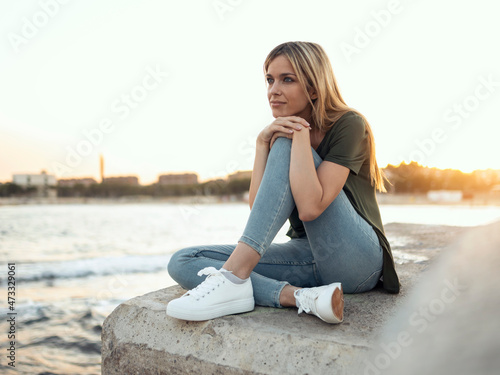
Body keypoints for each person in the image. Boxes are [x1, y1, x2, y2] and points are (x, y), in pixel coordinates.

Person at [166, 41, 400, 324]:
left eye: (287, 80)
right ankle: (300, 297)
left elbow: (310, 208)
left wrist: (298, 135)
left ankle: (233, 278)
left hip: (356, 260)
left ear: (313, 88)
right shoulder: (279, 136)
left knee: (286, 144)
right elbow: (260, 210)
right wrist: (261, 144)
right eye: (269, 79)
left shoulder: (349, 124)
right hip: (306, 259)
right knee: (183, 261)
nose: (273, 90)